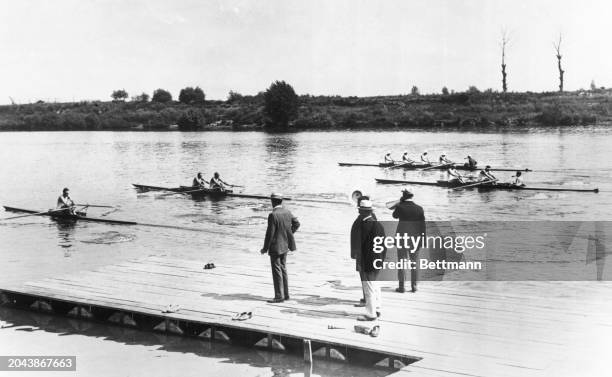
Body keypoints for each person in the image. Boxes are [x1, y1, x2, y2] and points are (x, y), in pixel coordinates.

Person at [261, 193, 300, 303]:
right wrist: (289, 234)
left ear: (272, 201)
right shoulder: (287, 212)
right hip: (285, 245)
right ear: (281, 201)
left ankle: (279, 296)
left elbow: (270, 234)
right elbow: (297, 224)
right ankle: (286, 295)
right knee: (283, 269)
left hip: (275, 247)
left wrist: (265, 248)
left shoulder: (273, 215)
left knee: (277, 270)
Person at [351, 199, 386, 321]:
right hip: (378, 260)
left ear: (361, 211)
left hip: (368, 262)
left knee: (368, 288)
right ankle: (377, 309)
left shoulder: (363, 226)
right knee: (376, 286)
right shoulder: (378, 225)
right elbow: (384, 245)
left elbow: (361, 248)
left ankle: (371, 314)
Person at [392, 189, 425, 293]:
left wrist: (400, 203)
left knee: (402, 262)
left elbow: (394, 216)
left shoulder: (400, 207)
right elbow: (422, 226)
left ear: (403, 196)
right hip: (415, 239)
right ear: (412, 196)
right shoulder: (420, 209)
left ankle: (401, 287)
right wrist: (422, 241)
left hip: (402, 238)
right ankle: (414, 286)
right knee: (414, 263)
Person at [350, 193, 376, 307]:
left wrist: (354, 253)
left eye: (359, 208)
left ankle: (367, 300)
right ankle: (368, 298)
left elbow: (358, 238)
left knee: (364, 277)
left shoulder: (363, 219)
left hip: (363, 254)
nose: (358, 210)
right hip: (368, 253)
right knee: (367, 278)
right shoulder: (371, 218)